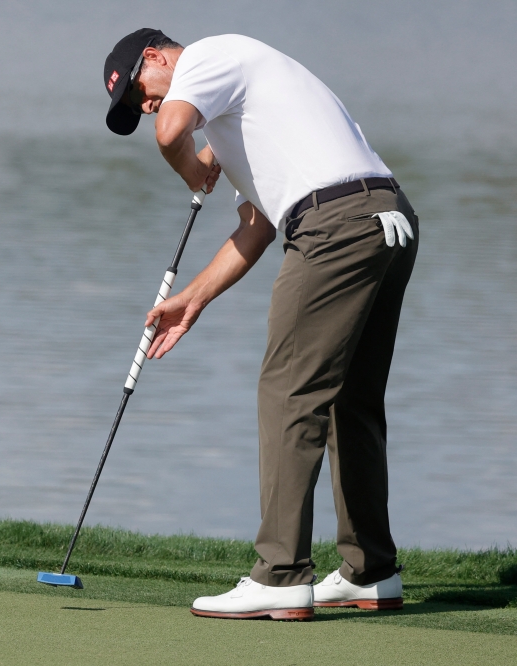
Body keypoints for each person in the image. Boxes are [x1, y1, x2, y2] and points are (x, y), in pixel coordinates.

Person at [103, 29, 418, 621]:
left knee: (287, 394)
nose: (144, 110)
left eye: (139, 95)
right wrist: (193, 299)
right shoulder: (241, 110)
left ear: (155, 57)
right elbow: (257, 226)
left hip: (335, 229)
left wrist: (192, 171)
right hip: (386, 219)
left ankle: (279, 575)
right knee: (349, 401)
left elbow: (172, 133)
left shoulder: (206, 57)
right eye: (134, 110)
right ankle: (370, 571)